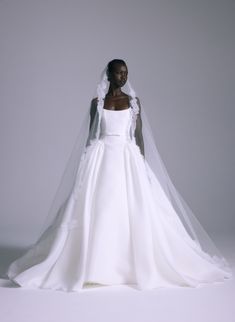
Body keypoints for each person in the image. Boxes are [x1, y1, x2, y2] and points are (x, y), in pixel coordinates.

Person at [5, 59, 232, 292]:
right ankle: (94, 262)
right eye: (119, 73)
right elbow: (91, 135)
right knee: (100, 207)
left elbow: (139, 135)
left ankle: (129, 264)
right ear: (109, 75)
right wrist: (85, 164)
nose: (123, 77)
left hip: (126, 157)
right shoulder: (97, 103)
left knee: (133, 208)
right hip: (101, 156)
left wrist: (142, 165)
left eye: (126, 73)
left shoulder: (133, 102)